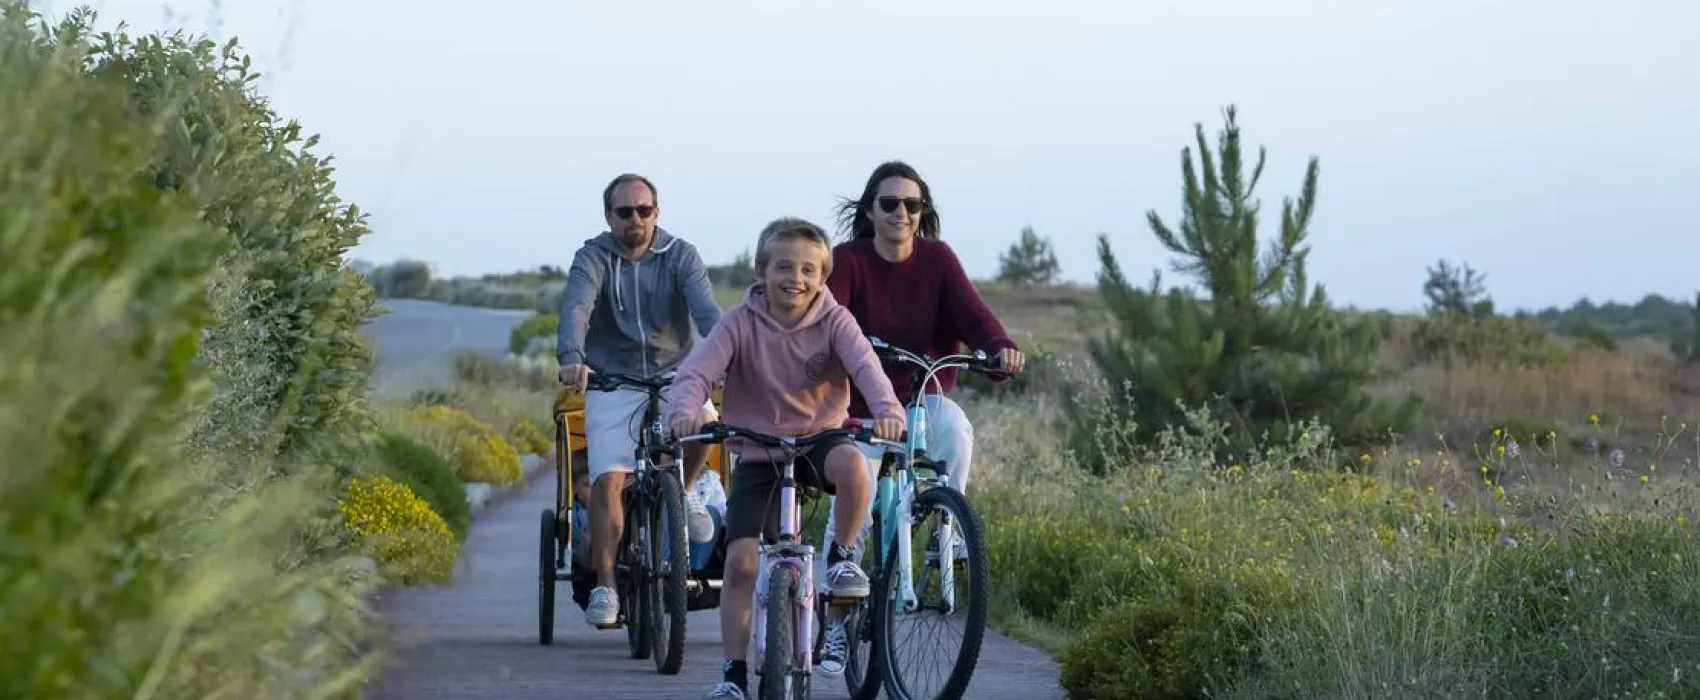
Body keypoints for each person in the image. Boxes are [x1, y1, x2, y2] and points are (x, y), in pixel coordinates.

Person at [662, 217, 905, 700]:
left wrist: (887, 412)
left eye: (808, 270)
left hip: (819, 439)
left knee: (856, 467)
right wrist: (684, 413)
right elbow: (696, 373)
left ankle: (841, 559)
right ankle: (731, 675)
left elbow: (867, 368)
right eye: (784, 267)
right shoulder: (739, 323)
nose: (796, 278)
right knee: (742, 563)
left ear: (822, 277)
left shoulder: (836, 320)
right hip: (757, 449)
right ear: (761, 270)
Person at [813, 160, 1028, 667]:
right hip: (860, 414)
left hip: (920, 403)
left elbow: (973, 315)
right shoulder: (848, 261)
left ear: (923, 211)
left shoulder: (938, 261)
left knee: (952, 423)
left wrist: (998, 347)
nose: (902, 213)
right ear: (871, 209)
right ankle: (838, 629)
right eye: (890, 203)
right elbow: (830, 319)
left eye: (913, 205)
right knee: (853, 516)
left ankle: (943, 526)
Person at [556, 172, 724, 629]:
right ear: (608, 216)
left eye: (643, 210)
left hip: (677, 375)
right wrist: (573, 358)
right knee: (610, 478)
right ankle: (607, 586)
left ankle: (686, 491)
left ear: (657, 212)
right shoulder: (592, 257)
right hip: (613, 380)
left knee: (706, 424)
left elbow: (708, 313)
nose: (635, 219)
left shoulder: (680, 256)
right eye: (624, 212)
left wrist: (729, 355)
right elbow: (577, 308)